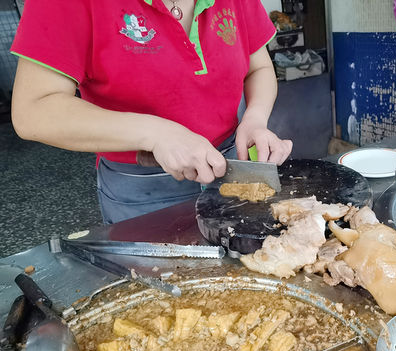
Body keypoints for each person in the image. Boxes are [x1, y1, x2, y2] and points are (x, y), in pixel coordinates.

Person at [10, 0, 293, 223]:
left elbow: (259, 67)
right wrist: (157, 134)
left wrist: (255, 119)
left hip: (230, 166)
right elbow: (34, 110)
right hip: (143, 189)